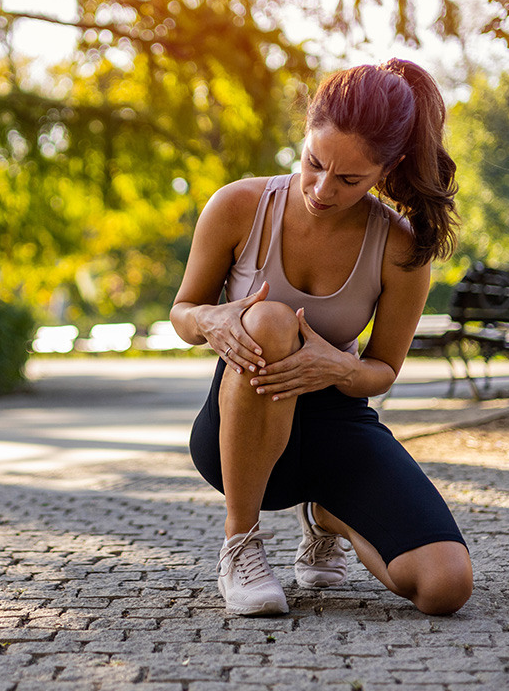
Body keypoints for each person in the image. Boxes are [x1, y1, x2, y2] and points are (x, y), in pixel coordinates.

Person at [169, 58, 473, 617]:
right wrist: (210, 321)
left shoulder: (400, 247)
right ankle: (241, 545)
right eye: (314, 163)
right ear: (306, 131)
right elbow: (183, 310)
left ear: (389, 167)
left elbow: (382, 371)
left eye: (350, 179)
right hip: (238, 438)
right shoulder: (238, 206)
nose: (322, 188)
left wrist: (336, 368)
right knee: (270, 320)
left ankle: (329, 513)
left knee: (445, 586)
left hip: (338, 428)